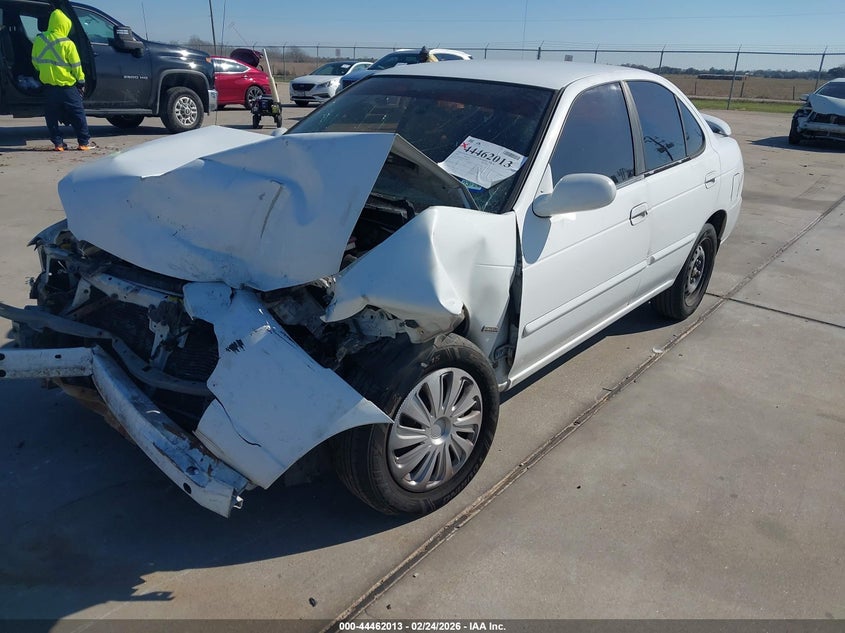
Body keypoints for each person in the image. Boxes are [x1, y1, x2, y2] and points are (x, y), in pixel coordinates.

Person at [31, 9, 93, 151]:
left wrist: (45, 71)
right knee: (78, 113)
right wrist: (81, 80)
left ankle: (58, 144)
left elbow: (35, 62)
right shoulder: (67, 43)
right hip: (67, 87)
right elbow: (76, 65)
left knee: (51, 116)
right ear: (65, 25)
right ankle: (83, 142)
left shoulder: (39, 40)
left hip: (49, 87)